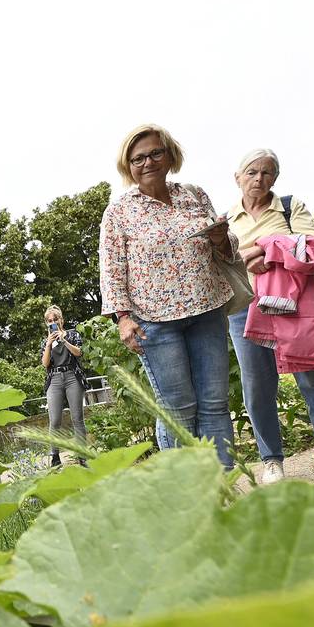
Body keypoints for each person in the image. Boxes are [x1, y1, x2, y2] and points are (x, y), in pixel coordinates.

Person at [99, 124, 236, 469]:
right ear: (128, 166)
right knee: (177, 408)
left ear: (170, 155)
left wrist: (221, 239)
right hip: (155, 322)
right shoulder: (120, 211)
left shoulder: (195, 195)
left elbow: (228, 251)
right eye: (138, 158)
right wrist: (123, 318)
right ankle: (182, 491)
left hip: (207, 311)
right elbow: (112, 268)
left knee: (215, 403)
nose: (147, 162)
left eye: (155, 153)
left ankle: (224, 485)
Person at [228, 149, 314, 486]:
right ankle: (271, 461)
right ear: (237, 177)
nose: (259, 179)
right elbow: (222, 265)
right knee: (257, 387)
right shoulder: (227, 220)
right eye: (252, 172)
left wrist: (262, 249)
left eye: (268, 173)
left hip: (293, 303)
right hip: (245, 309)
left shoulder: (288, 206)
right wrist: (253, 255)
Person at [39, 305, 87, 467]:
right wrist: (49, 344)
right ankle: (55, 457)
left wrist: (63, 340)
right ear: (46, 323)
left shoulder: (72, 334)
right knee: (55, 420)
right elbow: (45, 364)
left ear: (61, 320)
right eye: (49, 321)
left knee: (77, 418)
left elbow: (79, 353)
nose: (53, 322)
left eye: (55, 319)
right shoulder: (46, 341)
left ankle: (82, 456)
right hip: (55, 379)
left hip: (72, 376)